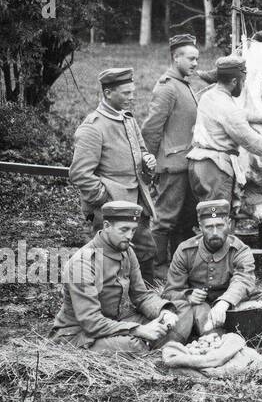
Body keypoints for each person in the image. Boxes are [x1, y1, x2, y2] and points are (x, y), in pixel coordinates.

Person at [69, 67, 160, 281]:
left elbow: (142, 151)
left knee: (146, 251)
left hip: (137, 203)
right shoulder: (93, 127)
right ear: (108, 93)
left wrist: (148, 162)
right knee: (109, 259)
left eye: (132, 91)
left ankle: (146, 298)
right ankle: (104, 304)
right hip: (111, 210)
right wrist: (105, 201)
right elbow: (80, 173)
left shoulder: (128, 120)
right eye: (126, 93)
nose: (132, 97)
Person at [50, 201, 177, 351]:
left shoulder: (126, 251)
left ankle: (152, 345)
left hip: (114, 322)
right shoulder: (82, 263)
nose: (130, 236)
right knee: (133, 345)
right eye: (124, 230)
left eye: (133, 230)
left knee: (176, 321)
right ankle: (150, 347)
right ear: (106, 226)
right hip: (79, 334)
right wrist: (139, 330)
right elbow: (91, 323)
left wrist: (162, 312)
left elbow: (141, 296)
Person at [163, 199, 262, 343]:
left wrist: (224, 302)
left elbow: (243, 280)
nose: (215, 232)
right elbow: (169, 291)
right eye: (209, 227)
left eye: (220, 225)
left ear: (228, 224)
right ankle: (218, 342)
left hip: (236, 306)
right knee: (200, 311)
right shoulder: (185, 251)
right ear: (200, 227)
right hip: (204, 312)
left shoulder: (240, 250)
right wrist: (188, 296)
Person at [140, 34, 206, 268]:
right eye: (190, 59)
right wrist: (148, 163)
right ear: (176, 58)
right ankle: (155, 267)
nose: (195, 63)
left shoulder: (184, 85)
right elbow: (152, 128)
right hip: (172, 165)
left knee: (185, 219)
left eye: (197, 58)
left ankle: (181, 265)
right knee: (165, 219)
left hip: (187, 163)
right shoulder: (167, 88)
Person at [187, 55, 262, 206]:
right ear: (234, 81)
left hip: (197, 163)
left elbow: (234, 114)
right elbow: (249, 140)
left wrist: (261, 119)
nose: (243, 85)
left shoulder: (210, 96)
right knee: (217, 221)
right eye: (242, 81)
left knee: (207, 216)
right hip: (215, 168)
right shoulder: (228, 109)